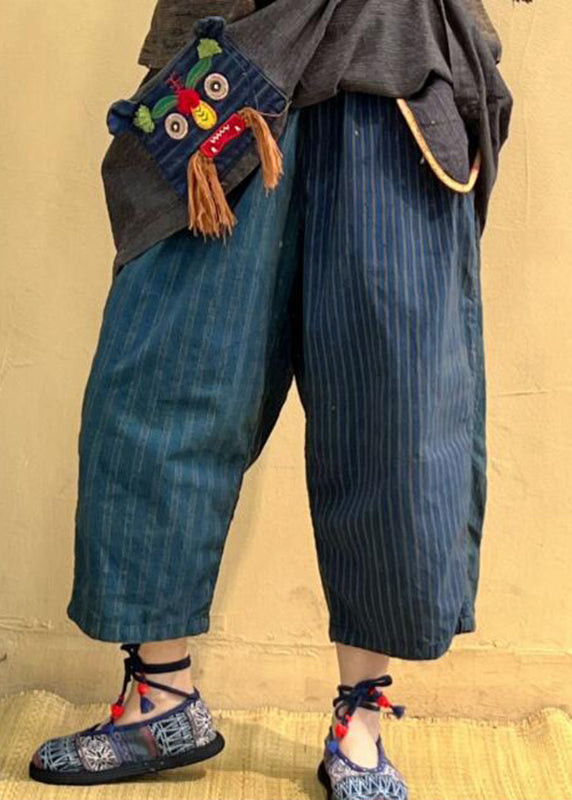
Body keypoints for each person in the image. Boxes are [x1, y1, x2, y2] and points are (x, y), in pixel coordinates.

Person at [28, 1, 524, 796]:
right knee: (160, 387)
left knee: (393, 415)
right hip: (228, 68)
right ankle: (160, 699)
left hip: (398, 76)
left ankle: (361, 722)